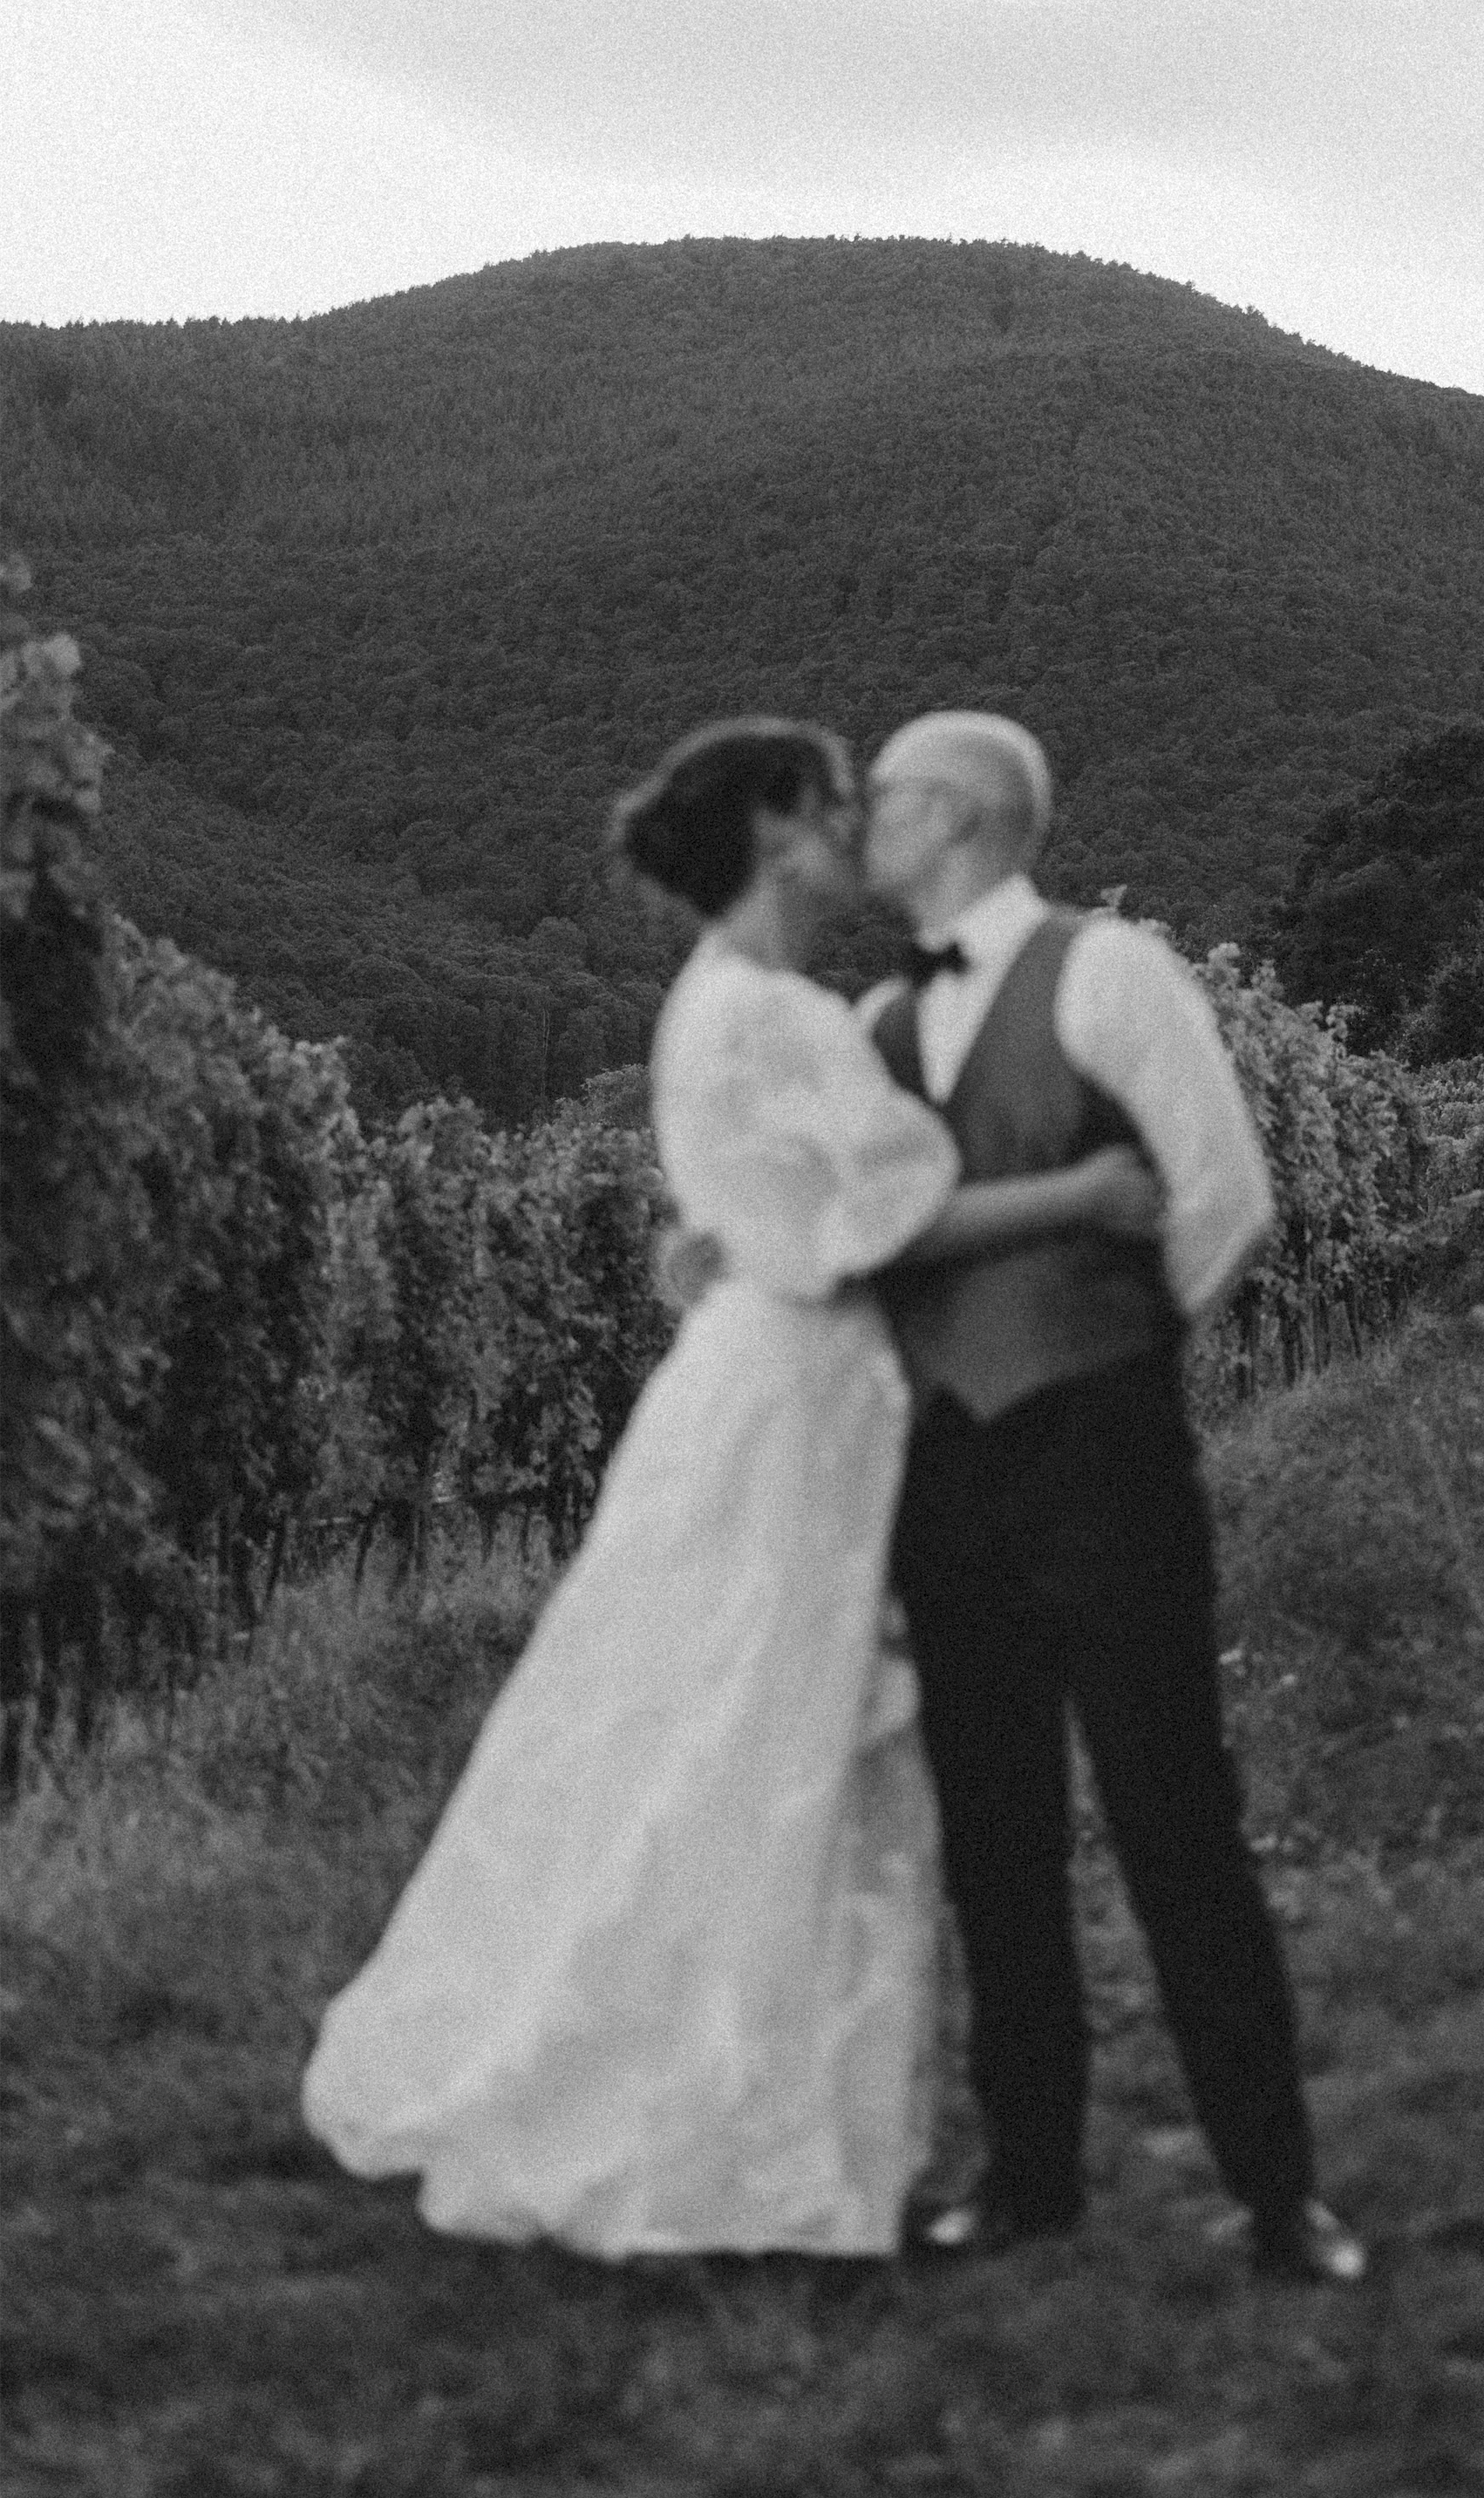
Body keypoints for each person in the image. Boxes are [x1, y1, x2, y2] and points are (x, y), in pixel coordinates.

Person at [300, 717, 1164, 2259]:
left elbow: (779, 1213)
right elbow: (893, 1222)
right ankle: (723, 2131)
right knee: (764, 1728)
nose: (856, 836)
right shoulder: (770, 1014)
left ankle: (735, 2095)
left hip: (761, 1382)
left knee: (721, 1718)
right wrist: (1087, 1195)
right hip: (799, 1396)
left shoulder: (720, 1000)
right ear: (777, 831)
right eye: (835, 809)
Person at [859, 710, 1365, 2283]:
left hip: (1103, 1454)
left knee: (1172, 1814)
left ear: (953, 816)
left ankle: (1279, 2193)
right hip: (938, 1476)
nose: (864, 825)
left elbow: (1224, 1201)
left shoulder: (1107, 971)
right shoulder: (878, 1022)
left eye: (883, 800)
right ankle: (1029, 2179)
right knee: (993, 1833)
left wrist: (1113, 1364)